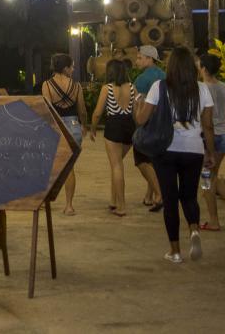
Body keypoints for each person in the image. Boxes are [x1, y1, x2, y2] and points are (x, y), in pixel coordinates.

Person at [135, 46, 214, 264]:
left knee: (170, 200)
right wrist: (210, 152)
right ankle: (194, 230)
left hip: (166, 150)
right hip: (194, 150)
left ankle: (175, 251)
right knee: (189, 196)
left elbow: (141, 120)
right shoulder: (202, 89)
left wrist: (138, 105)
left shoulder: (159, 87)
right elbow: (208, 126)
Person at [42, 53, 87, 215]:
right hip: (73, 126)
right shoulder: (76, 86)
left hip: (55, 127)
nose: (73, 69)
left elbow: (47, 110)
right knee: (69, 168)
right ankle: (69, 206)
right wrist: (84, 125)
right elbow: (82, 110)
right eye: (72, 67)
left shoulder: (47, 85)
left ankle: (44, 201)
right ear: (65, 68)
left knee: (49, 166)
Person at [90, 60, 136, 217]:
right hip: (129, 127)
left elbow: (97, 112)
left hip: (114, 126)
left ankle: (121, 206)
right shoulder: (132, 87)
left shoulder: (107, 88)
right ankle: (113, 200)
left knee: (116, 166)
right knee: (117, 164)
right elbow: (136, 111)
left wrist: (93, 128)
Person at [198, 54, 225, 230]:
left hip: (208, 138)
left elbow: (202, 118)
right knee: (213, 175)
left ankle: (214, 221)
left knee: (206, 181)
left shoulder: (200, 88)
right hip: (223, 136)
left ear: (204, 68)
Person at [133, 45, 165, 212]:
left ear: (149, 59)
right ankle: (149, 196)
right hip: (164, 125)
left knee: (142, 162)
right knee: (154, 161)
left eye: (140, 58)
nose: (137, 61)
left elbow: (137, 104)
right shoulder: (165, 76)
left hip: (147, 125)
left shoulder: (142, 80)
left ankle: (159, 194)